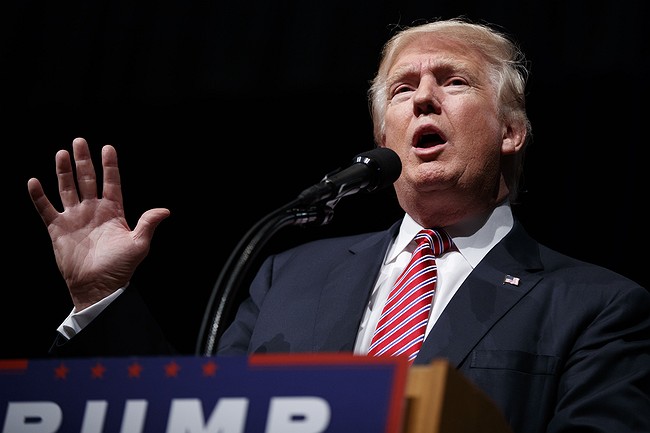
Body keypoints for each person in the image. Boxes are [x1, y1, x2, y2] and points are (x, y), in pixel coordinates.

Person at [27, 17, 649, 433]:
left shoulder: (595, 306)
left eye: (454, 81)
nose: (424, 98)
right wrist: (100, 298)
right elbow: (191, 417)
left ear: (512, 132)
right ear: (384, 135)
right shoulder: (288, 273)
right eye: (403, 89)